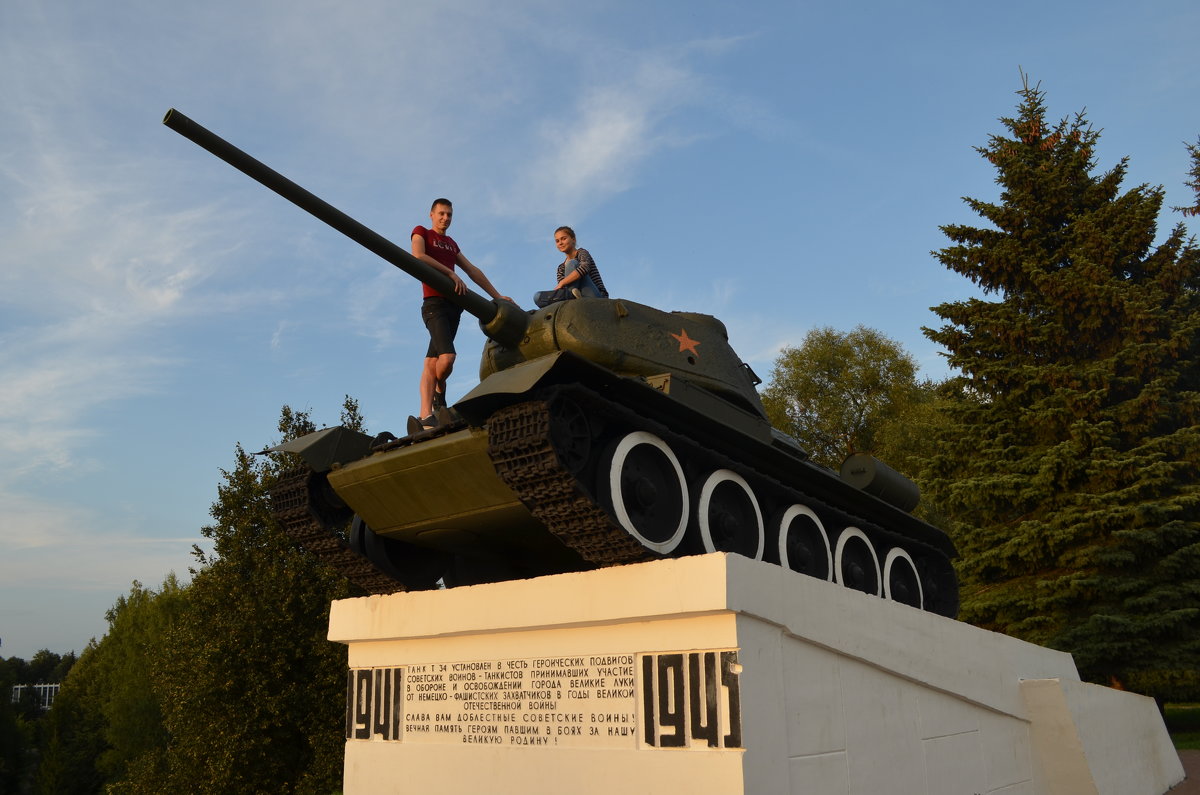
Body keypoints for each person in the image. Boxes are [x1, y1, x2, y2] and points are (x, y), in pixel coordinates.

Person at [410, 198, 512, 432]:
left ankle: (425, 416)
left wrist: (496, 296)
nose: (445, 218)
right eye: (441, 214)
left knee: (432, 361)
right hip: (434, 304)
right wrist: (450, 274)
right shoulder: (422, 232)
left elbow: (472, 271)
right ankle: (439, 391)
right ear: (432, 214)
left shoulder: (451, 243)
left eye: (449, 215)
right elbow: (418, 255)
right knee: (447, 358)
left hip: (454, 307)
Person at [533, 226, 609, 308]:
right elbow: (562, 289)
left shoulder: (582, 252)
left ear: (573, 239)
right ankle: (570, 296)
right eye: (557, 241)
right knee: (537, 296)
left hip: (595, 296)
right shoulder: (561, 268)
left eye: (563, 238)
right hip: (574, 296)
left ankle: (570, 295)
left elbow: (584, 268)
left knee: (572, 263)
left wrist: (562, 283)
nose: (560, 243)